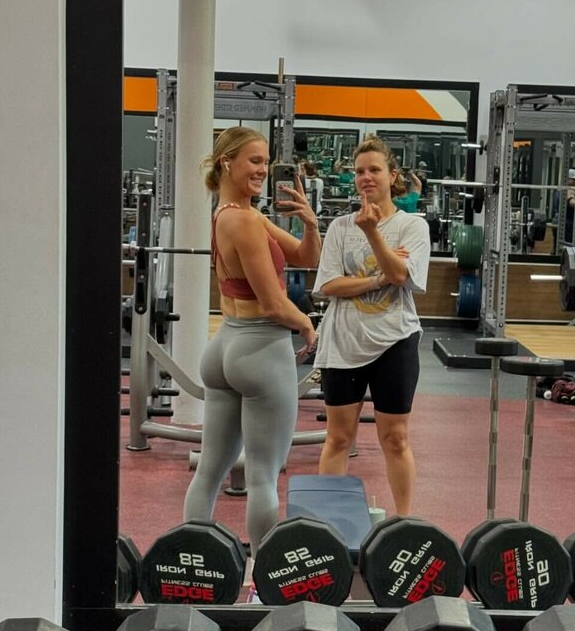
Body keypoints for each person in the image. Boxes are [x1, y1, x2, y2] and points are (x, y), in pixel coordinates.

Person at [183, 126, 321, 552]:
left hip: (225, 348)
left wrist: (311, 223)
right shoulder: (244, 220)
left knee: (209, 471)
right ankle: (264, 573)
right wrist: (307, 324)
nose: (262, 170)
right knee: (263, 476)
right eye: (254, 161)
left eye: (266, 162)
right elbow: (275, 305)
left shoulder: (231, 213)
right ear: (227, 162)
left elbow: (306, 257)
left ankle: (192, 561)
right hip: (261, 351)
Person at [313, 136, 430, 514]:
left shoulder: (412, 227)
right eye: (359, 171)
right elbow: (329, 286)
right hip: (343, 342)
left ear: (392, 175)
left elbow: (402, 276)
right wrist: (378, 277)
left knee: (395, 438)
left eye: (374, 170)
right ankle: (329, 525)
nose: (366, 177)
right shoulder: (339, 227)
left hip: (395, 341)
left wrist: (372, 233)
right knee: (338, 438)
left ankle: (405, 522)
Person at [551, 168, 575, 250]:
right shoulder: (568, 190)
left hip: (558, 219)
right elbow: (572, 203)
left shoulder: (559, 189)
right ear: (569, 179)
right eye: (574, 180)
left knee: (557, 245)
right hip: (566, 223)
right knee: (567, 247)